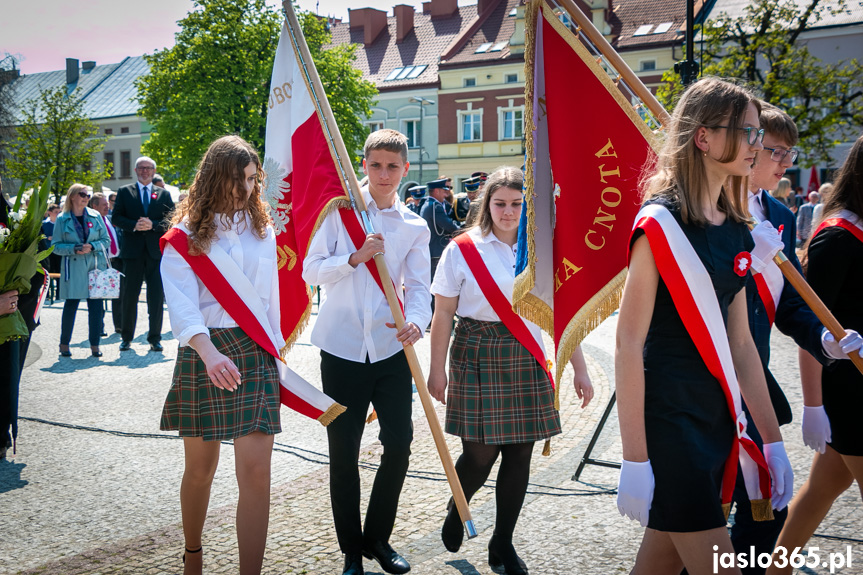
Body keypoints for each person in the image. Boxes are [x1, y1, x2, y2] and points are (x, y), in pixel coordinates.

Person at [614, 78, 793, 575]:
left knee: (658, 565)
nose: (758, 145)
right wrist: (633, 456)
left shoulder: (735, 226)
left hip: (716, 414)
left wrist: (773, 440)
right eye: (748, 133)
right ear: (704, 138)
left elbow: (740, 344)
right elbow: (628, 341)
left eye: (759, 135)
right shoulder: (660, 223)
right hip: (670, 420)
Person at [427, 166, 592, 575]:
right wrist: (436, 370)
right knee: (479, 456)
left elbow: (559, 315)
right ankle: (458, 505)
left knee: (520, 455)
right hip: (477, 352)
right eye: (500, 203)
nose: (508, 211)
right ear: (487, 204)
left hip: (525, 355)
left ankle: (502, 543)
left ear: (528, 206)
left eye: (517, 204)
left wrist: (580, 369)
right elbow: (443, 314)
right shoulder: (462, 248)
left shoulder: (541, 250)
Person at [731, 103, 859, 575]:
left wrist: (824, 341)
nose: (786, 163)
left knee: (764, 513)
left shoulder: (781, 214)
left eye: (790, 153)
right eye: (776, 152)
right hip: (706, 381)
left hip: (756, 378)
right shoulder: (709, 210)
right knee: (693, 517)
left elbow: (791, 307)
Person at [302, 129, 431, 575]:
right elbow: (311, 270)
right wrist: (354, 259)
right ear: (363, 165)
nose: (383, 174)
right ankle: (351, 551)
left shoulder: (415, 225)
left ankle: (377, 538)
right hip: (340, 351)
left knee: (400, 444)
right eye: (375, 165)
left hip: (392, 350)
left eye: (392, 166)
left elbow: (418, 287)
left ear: (405, 169)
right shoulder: (339, 214)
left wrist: (418, 319)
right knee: (344, 450)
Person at [159, 135, 282, 575]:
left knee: (255, 473)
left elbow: (269, 301)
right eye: (237, 179)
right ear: (214, 177)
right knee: (201, 470)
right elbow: (182, 303)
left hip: (253, 353)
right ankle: (193, 556)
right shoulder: (185, 235)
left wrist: (277, 352)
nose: (246, 189)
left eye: (252, 179)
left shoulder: (263, 231)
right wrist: (208, 352)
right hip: (203, 352)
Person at [765, 134, 863, 575]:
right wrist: (814, 406)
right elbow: (812, 324)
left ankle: (777, 569)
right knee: (821, 489)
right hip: (851, 391)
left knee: (821, 489)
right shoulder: (837, 235)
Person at [111, 156, 174, 352]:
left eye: (148, 168)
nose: (145, 171)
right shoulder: (124, 192)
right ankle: (126, 337)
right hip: (132, 253)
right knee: (129, 297)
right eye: (141, 168)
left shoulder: (164, 194)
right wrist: (134, 226)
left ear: (154, 171)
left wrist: (153, 225)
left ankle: (154, 337)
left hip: (155, 253)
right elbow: (116, 218)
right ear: (136, 170)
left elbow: (172, 220)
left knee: (155, 298)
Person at [51, 184, 111, 357]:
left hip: (94, 266)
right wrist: (74, 248)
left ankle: (95, 345)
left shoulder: (95, 216)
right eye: (82, 194)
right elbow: (55, 246)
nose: (86, 197)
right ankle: (64, 344)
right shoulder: (62, 219)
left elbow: (106, 240)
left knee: (96, 307)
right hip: (74, 267)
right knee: (71, 306)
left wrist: (92, 246)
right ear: (72, 196)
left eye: (88, 194)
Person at [90, 192, 122, 334]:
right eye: (103, 204)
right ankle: (99, 327)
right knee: (99, 296)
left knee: (118, 295)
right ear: (94, 206)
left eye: (107, 204)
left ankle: (119, 325)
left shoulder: (108, 218)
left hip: (116, 261)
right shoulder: (93, 221)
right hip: (100, 262)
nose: (107, 207)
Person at [421, 178, 461, 286]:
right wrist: (464, 230)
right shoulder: (435, 206)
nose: (446, 194)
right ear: (436, 191)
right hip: (437, 250)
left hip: (433, 250)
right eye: (443, 191)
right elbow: (448, 225)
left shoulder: (428, 204)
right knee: (440, 284)